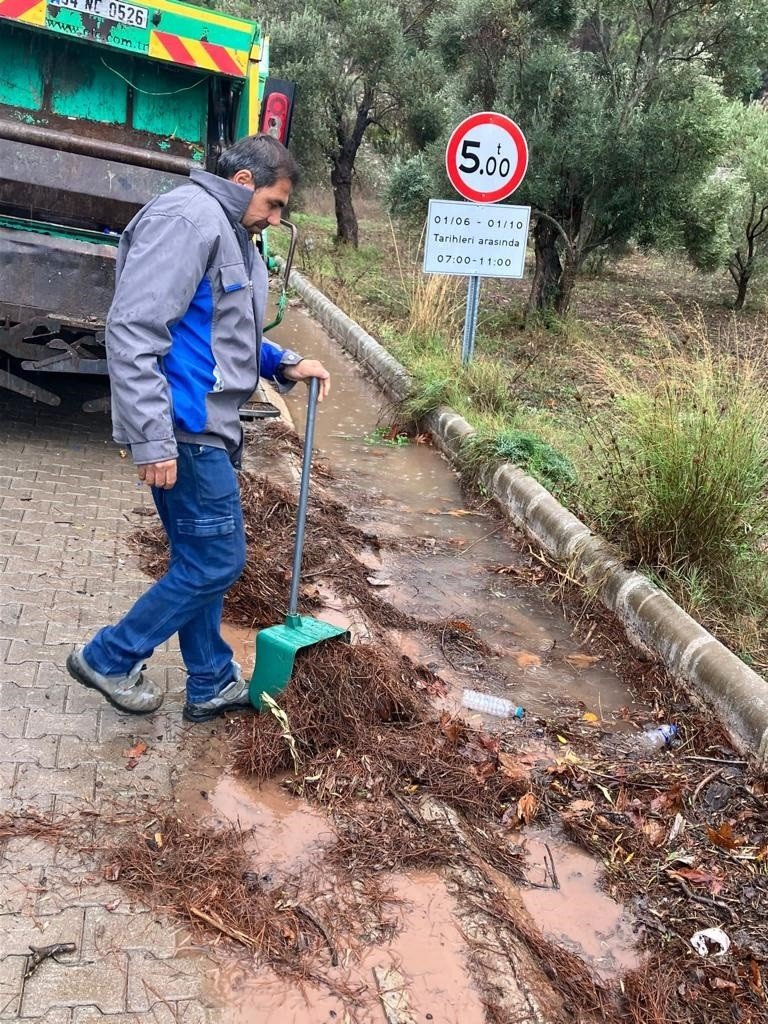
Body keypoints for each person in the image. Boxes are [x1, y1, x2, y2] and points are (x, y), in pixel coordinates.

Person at [67, 134, 330, 723]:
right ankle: (109, 657)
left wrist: (283, 362)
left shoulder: (227, 228)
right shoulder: (189, 221)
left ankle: (210, 680)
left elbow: (221, 330)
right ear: (243, 183)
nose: (275, 218)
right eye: (274, 204)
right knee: (216, 561)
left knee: (199, 556)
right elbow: (135, 330)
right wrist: (153, 439)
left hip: (205, 424)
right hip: (185, 427)